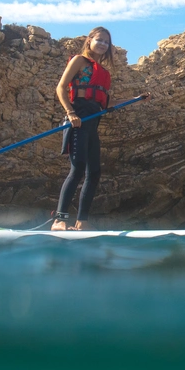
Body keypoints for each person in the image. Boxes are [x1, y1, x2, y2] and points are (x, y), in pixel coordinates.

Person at [52, 27, 146, 231]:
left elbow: (107, 102)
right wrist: (71, 114)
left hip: (93, 122)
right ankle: (59, 220)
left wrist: (134, 100)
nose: (103, 44)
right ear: (89, 41)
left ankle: (82, 222)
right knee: (77, 170)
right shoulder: (79, 61)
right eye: (100, 40)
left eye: (106, 42)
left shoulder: (103, 73)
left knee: (94, 172)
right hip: (78, 118)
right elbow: (61, 87)